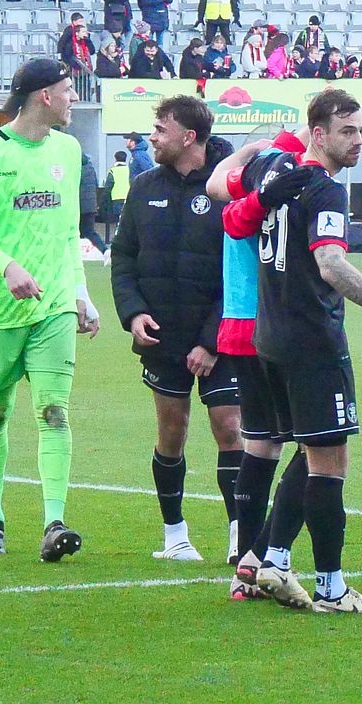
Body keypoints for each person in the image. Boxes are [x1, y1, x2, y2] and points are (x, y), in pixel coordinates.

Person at [219, 89, 362, 612]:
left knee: (305, 451)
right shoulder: (325, 190)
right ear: (317, 133)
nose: (359, 141)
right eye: (347, 131)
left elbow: (220, 191)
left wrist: (249, 168)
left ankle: (270, 559)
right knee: (329, 461)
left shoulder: (272, 171)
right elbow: (331, 265)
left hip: (269, 339)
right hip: (312, 341)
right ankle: (331, 588)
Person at [0, 60, 100, 562]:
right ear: (44, 96)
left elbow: (68, 233)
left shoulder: (69, 150)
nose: (74, 98)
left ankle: (54, 522)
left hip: (54, 307)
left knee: (54, 411)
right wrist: (7, 266)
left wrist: (81, 293)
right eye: (67, 89)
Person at [109, 96, 244, 563]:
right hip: (162, 336)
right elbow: (123, 256)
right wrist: (133, 313)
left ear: (189, 137)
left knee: (230, 428)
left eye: (160, 129)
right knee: (171, 431)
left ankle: (240, 536)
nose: (151, 137)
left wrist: (210, 340)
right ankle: (175, 536)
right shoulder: (144, 186)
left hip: (221, 339)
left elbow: (241, 271)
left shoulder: (229, 188)